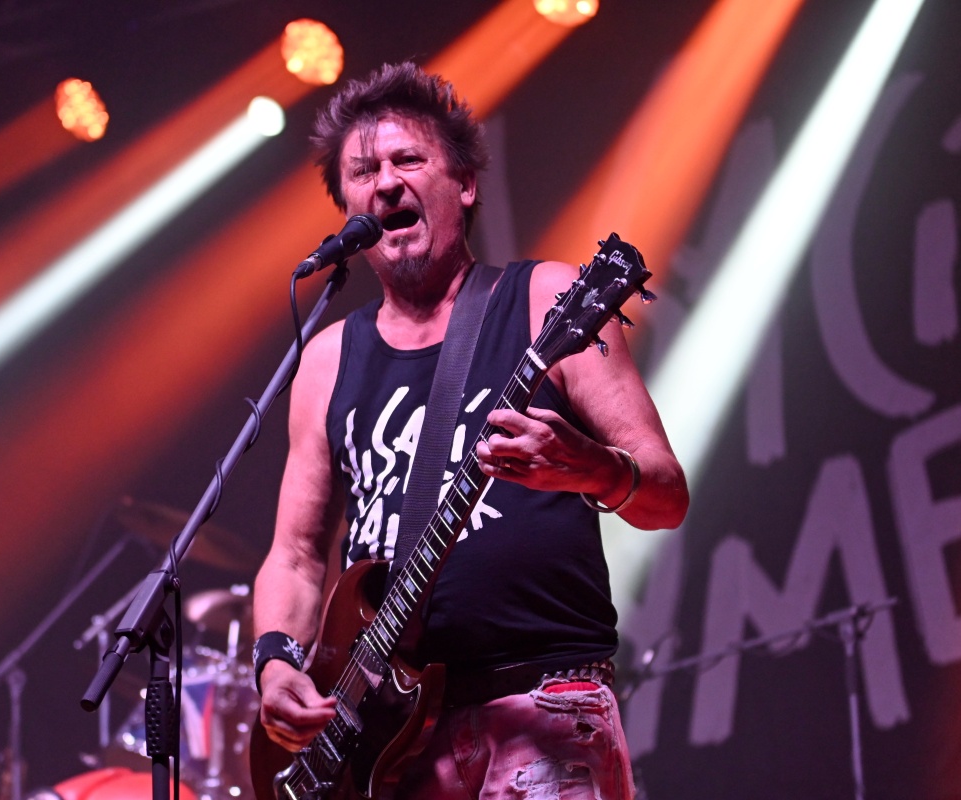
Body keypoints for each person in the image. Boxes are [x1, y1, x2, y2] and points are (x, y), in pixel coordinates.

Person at [252, 61, 688, 799]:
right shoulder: (325, 360)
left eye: (408, 160)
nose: (386, 183)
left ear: (464, 184)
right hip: (383, 741)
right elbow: (294, 556)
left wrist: (591, 467)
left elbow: (667, 495)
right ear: (347, 206)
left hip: (541, 703)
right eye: (363, 171)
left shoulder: (546, 300)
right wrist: (274, 662)